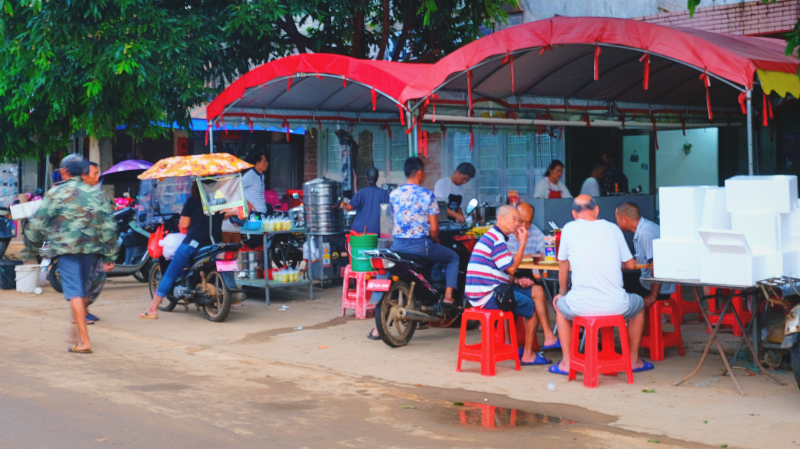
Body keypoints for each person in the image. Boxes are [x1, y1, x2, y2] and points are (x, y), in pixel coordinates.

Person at [549, 195, 652, 375]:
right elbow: (630, 265)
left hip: (580, 305)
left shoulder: (568, 229)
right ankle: (634, 360)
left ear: (574, 213)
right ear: (596, 210)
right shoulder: (612, 228)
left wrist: (562, 293)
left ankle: (566, 362)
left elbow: (563, 265)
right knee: (640, 305)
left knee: (560, 307)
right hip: (615, 305)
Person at [25, 158, 119, 353]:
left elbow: (38, 223)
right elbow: (109, 226)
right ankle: (75, 328)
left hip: (66, 250)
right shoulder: (96, 193)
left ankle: (84, 341)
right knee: (81, 291)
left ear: (65, 170)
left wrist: (31, 249)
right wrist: (110, 254)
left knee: (74, 292)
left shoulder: (56, 192)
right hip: (91, 251)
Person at [368, 157, 460, 341]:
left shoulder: (393, 194)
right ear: (419, 172)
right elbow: (434, 228)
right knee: (453, 258)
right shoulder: (427, 195)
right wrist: (436, 241)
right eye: (423, 172)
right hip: (420, 246)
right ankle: (449, 297)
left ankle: (378, 328)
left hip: (398, 246)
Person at [465, 206, 552, 365]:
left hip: (482, 292)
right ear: (500, 219)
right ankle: (528, 354)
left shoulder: (492, 237)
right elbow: (511, 268)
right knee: (532, 307)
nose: (517, 224)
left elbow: (500, 272)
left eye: (519, 220)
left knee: (535, 291)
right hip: (487, 296)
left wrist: (517, 281)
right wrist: (523, 243)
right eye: (514, 219)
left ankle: (519, 344)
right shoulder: (497, 239)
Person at [139, 183, 237, 319]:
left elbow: (184, 224)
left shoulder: (192, 202)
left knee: (170, 272)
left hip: (194, 243)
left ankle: (152, 309)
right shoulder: (217, 202)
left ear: (195, 188)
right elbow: (221, 215)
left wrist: (183, 215)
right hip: (214, 243)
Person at [615, 202, 676, 308]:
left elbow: (656, 265)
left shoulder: (645, 233)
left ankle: (622, 317)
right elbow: (642, 262)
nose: (616, 222)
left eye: (617, 219)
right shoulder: (643, 228)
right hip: (648, 281)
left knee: (614, 283)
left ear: (625, 219)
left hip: (657, 288)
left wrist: (652, 296)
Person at [341, 166, 389, 235]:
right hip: (377, 231)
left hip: (359, 232)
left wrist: (343, 204)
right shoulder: (384, 194)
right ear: (377, 179)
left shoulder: (361, 193)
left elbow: (349, 207)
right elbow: (388, 212)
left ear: (366, 178)